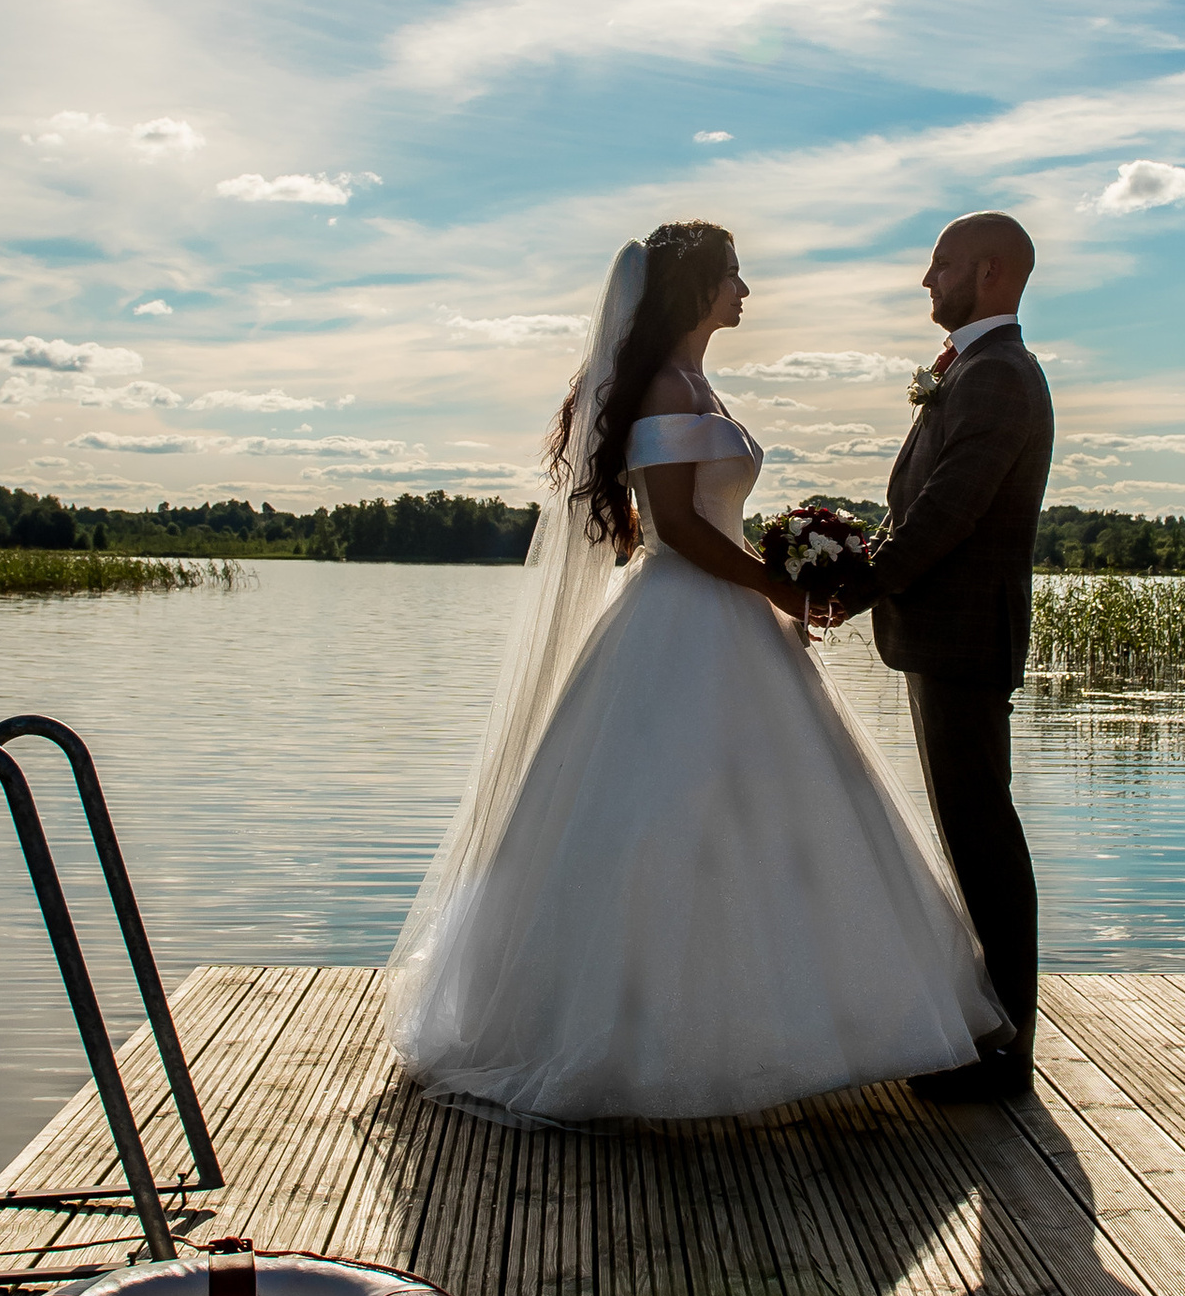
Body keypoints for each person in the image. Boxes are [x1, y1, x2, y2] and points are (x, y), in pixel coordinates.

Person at [386, 221, 1005, 1121]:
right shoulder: (668, 389)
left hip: (726, 613)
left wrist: (789, 568)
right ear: (696, 290)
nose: (746, 291)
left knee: (765, 817)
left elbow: (707, 521)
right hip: (681, 619)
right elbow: (677, 527)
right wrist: (781, 590)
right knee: (666, 814)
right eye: (733, 276)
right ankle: (642, 1039)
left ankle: (785, 1024)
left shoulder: (696, 383)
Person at [832, 210, 1053, 1097]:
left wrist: (850, 589)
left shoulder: (998, 375)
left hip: (964, 635)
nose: (928, 280)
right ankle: (991, 1028)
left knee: (982, 832)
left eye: (942, 264)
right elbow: (919, 506)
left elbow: (948, 513)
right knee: (971, 828)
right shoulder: (972, 368)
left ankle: (1006, 1050)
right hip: (944, 633)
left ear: (990, 273)